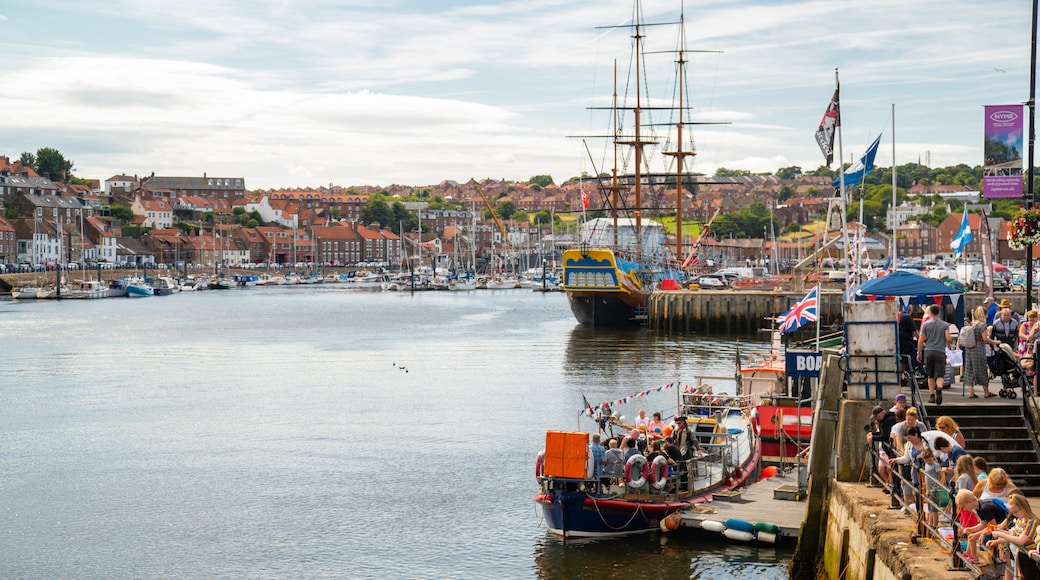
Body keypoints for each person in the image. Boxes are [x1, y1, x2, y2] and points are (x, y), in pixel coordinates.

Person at [986, 493, 1039, 580]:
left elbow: (1020, 540)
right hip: (1020, 554)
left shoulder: (1032, 522)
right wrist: (998, 535)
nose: (1014, 514)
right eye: (1012, 512)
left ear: (1023, 507)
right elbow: (1012, 535)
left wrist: (1000, 534)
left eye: (1015, 512)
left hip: (1030, 557)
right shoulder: (1020, 520)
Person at [958, 489, 1009, 563]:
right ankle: (969, 554)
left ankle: (974, 557)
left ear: (969, 502)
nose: (963, 509)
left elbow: (993, 526)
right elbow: (983, 524)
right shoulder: (979, 506)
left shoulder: (984, 508)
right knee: (971, 537)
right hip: (997, 527)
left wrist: (976, 534)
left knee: (972, 537)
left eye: (963, 507)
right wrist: (971, 529)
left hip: (1002, 528)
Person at [918, 304, 951, 404]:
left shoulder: (926, 324)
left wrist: (919, 352)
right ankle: (939, 389)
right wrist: (948, 345)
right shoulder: (945, 324)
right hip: (940, 351)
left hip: (929, 351)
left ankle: (932, 395)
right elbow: (948, 338)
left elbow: (921, 340)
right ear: (939, 312)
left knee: (930, 375)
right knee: (940, 374)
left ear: (930, 312)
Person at [962, 305, 998, 398]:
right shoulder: (982, 325)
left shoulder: (972, 324)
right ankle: (986, 392)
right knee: (981, 369)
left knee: (970, 370)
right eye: (986, 314)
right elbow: (985, 339)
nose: (987, 316)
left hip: (969, 349)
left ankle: (971, 392)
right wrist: (994, 342)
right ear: (984, 314)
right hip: (978, 349)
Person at [866, 405, 898, 490]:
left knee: (890, 468)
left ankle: (892, 487)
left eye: (876, 416)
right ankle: (889, 485)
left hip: (890, 448)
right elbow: (882, 433)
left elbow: (885, 436)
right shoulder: (883, 421)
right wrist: (873, 434)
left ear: (881, 413)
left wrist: (873, 437)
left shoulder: (888, 420)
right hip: (885, 448)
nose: (876, 418)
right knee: (884, 469)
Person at [897, 309, 919, 377]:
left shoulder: (897, 315)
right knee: (904, 360)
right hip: (905, 342)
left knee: (898, 357)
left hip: (896, 341)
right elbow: (914, 331)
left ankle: (898, 376)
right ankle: (899, 376)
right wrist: (921, 341)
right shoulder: (908, 317)